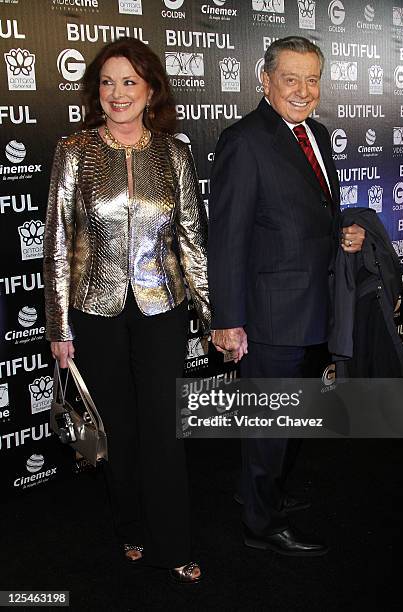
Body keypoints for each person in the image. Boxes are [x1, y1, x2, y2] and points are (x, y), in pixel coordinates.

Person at [44, 38, 210, 583]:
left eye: (129, 82)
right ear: (97, 90)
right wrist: (59, 325)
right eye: (108, 82)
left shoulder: (174, 153)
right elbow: (58, 244)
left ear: (151, 89)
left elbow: (192, 239)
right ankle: (131, 528)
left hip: (162, 307)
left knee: (164, 427)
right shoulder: (74, 151)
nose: (117, 94)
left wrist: (212, 316)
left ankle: (175, 543)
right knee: (120, 430)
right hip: (96, 308)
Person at [208, 36, 365, 556]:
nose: (302, 90)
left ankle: (262, 494)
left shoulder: (317, 133)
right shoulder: (244, 140)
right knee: (269, 421)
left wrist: (346, 231)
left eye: (312, 79)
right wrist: (227, 318)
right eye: (290, 78)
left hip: (313, 305)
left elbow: (313, 212)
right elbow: (227, 237)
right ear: (265, 79)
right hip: (269, 312)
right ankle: (260, 526)